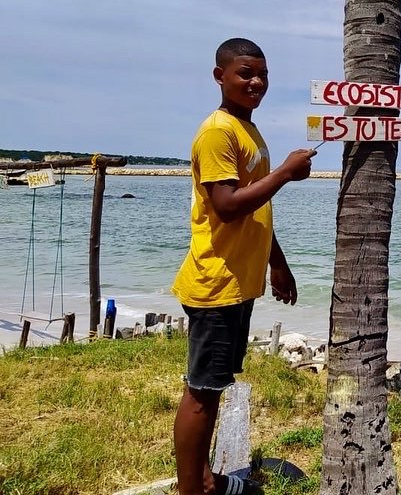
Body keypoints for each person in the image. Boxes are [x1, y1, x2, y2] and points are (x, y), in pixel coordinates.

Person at [171, 37, 315, 495]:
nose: (256, 82)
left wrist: (278, 264)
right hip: (215, 282)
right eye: (246, 73)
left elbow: (255, 211)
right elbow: (228, 206)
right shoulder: (218, 132)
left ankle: (205, 480)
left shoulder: (247, 129)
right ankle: (192, 489)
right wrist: (284, 173)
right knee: (201, 392)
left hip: (238, 282)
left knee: (213, 387)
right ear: (220, 76)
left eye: (263, 75)